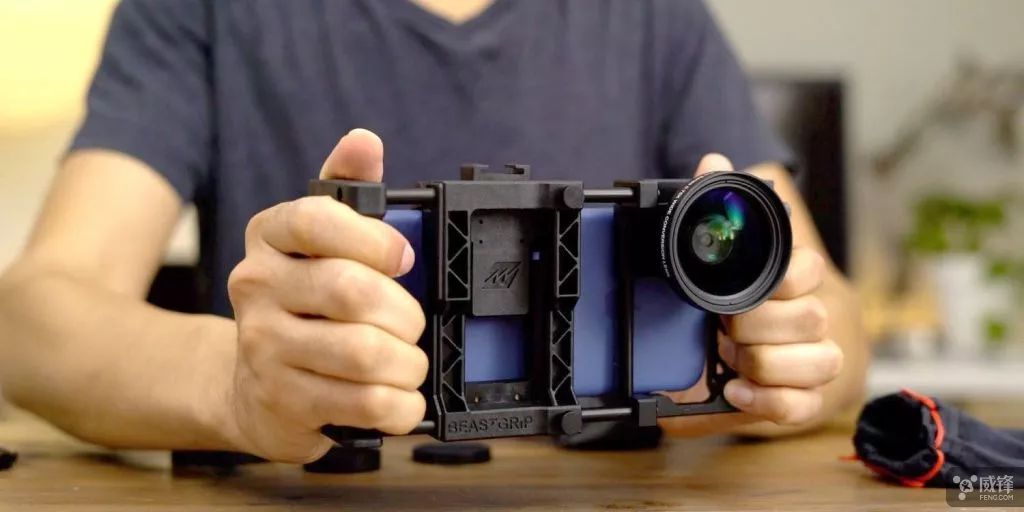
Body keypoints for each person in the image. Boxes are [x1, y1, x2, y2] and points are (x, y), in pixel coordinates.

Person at [0, 0, 865, 463]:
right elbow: (32, 320)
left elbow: (832, 313)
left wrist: (766, 369)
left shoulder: (656, 17)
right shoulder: (202, 11)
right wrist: (233, 386)